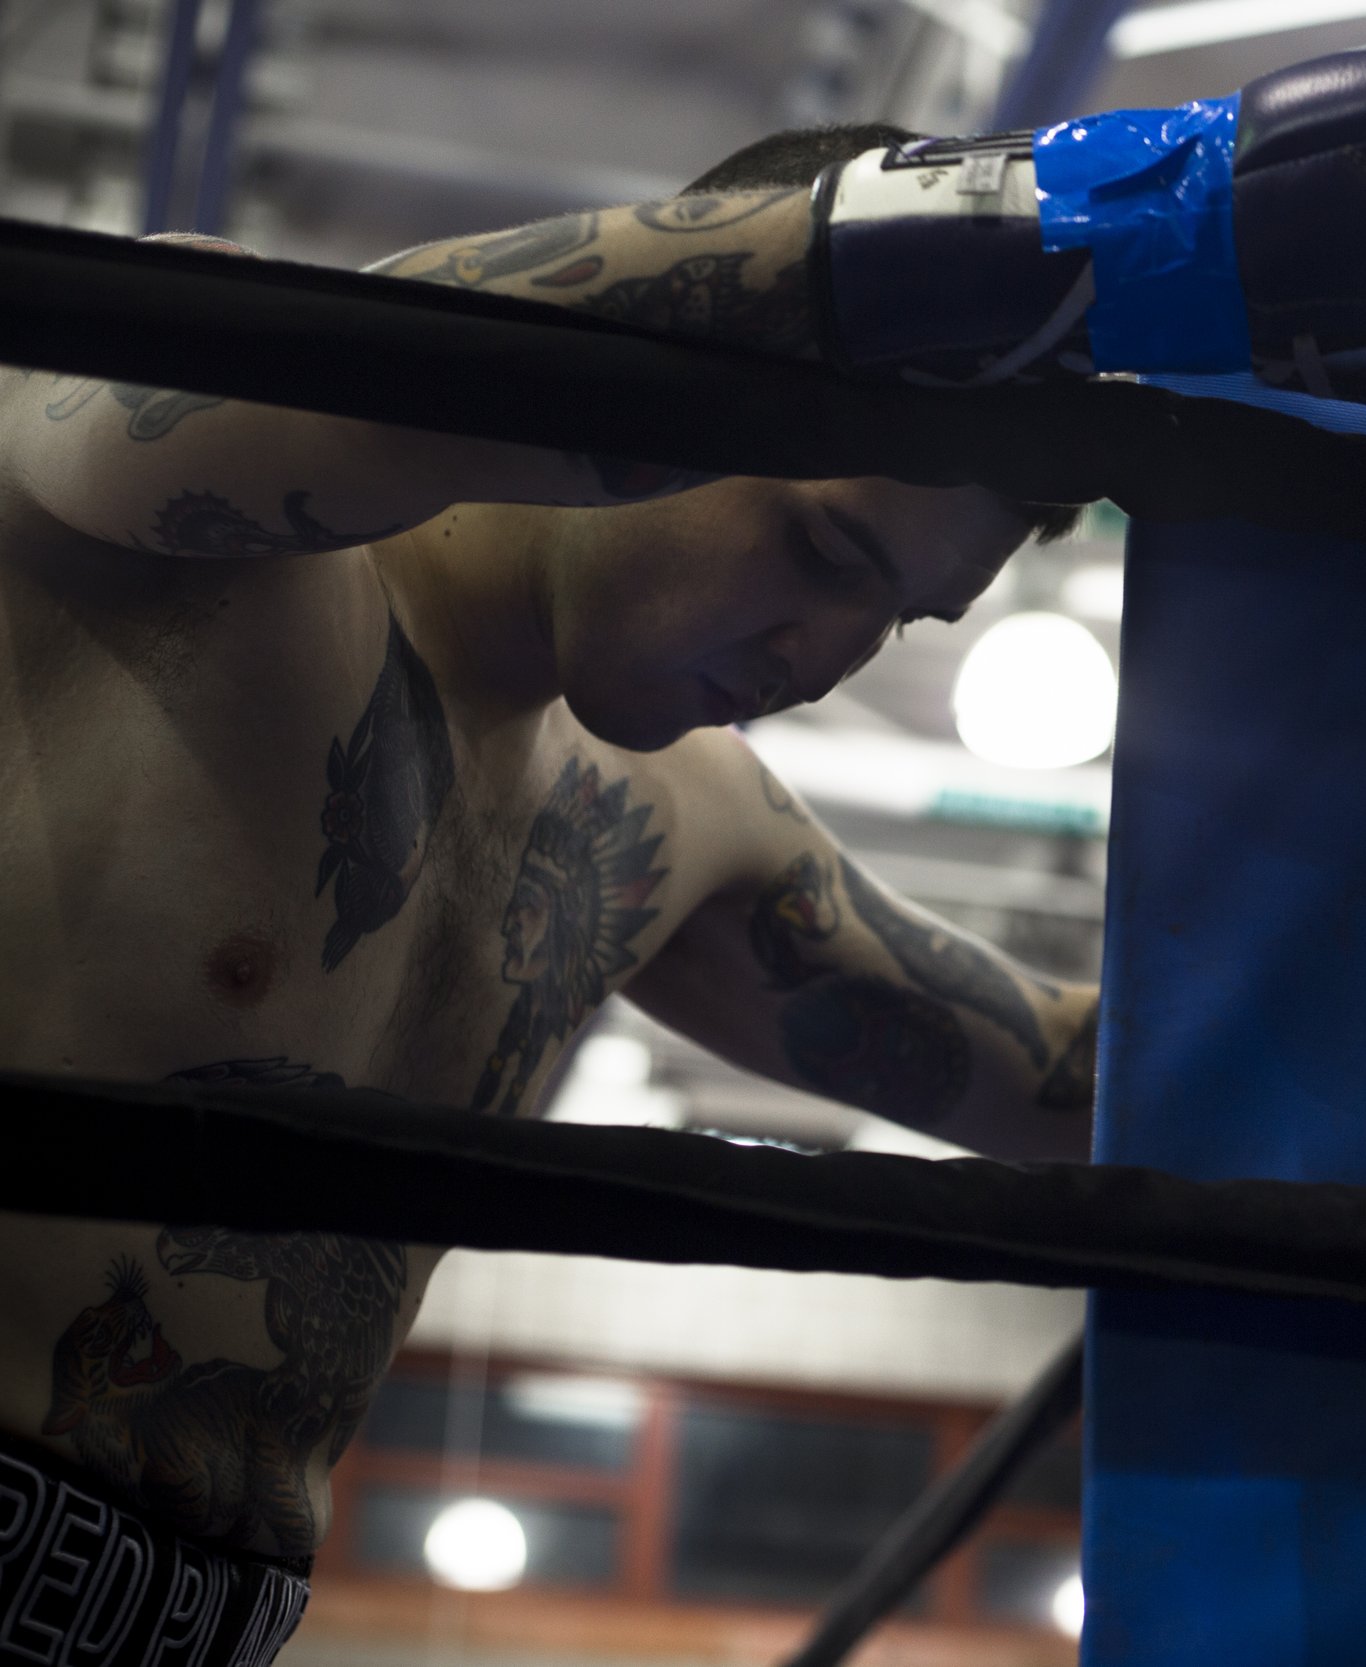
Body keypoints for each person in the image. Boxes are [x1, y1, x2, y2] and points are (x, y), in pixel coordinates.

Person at [0, 122, 1099, 1646]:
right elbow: (370, 380)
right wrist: (1009, 229)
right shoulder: (198, 453)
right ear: (696, 365)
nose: (824, 660)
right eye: (828, 549)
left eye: (901, 620)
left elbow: (1072, 1082)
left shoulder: (675, 820)